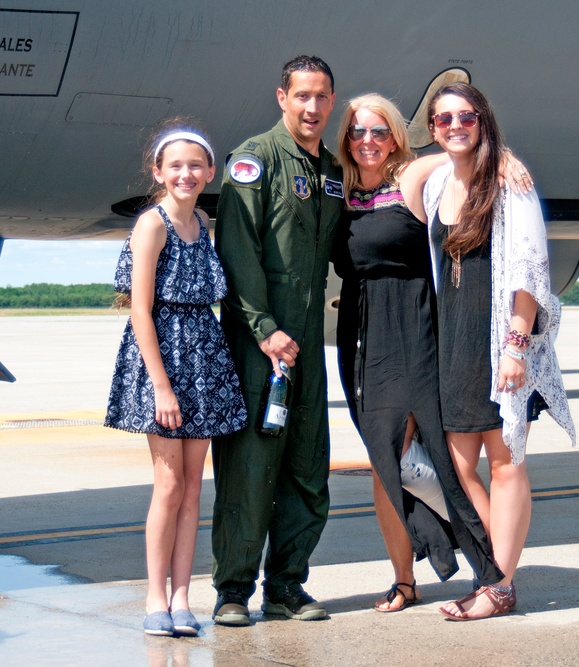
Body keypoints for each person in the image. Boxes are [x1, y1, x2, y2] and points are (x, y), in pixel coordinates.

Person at [334, 94, 535, 612]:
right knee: (386, 461)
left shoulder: (413, 176)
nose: (368, 141)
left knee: (440, 459)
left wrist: (503, 155)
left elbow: (458, 151)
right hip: (364, 335)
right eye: (358, 132)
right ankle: (405, 579)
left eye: (380, 131)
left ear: (397, 137)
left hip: (420, 328)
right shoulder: (339, 190)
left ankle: (495, 575)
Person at [420, 83, 577, 620]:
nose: (455, 125)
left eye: (466, 116)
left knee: (506, 464)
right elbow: (394, 171)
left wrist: (515, 345)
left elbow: (531, 271)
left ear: (483, 120)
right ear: (432, 130)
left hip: (502, 342)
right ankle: (496, 572)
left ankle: (499, 585)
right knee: (459, 468)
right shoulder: (436, 181)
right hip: (453, 343)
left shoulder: (512, 186)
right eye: (443, 120)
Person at [210, 55, 344, 626]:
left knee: (308, 468)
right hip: (260, 340)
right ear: (282, 97)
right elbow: (237, 254)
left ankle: (287, 587)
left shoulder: (333, 171)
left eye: (322, 97)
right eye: (302, 96)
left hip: (309, 344)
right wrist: (264, 328)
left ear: (331, 102)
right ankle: (233, 591)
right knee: (249, 468)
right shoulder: (254, 160)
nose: (312, 108)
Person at [104, 119, 248, 636]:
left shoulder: (202, 223)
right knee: (167, 485)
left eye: (195, 166)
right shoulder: (154, 224)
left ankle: (184, 598)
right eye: (175, 166)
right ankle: (154, 599)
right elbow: (139, 310)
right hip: (162, 356)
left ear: (210, 171)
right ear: (158, 171)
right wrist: (161, 386)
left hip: (203, 356)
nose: (185, 174)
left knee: (192, 489)